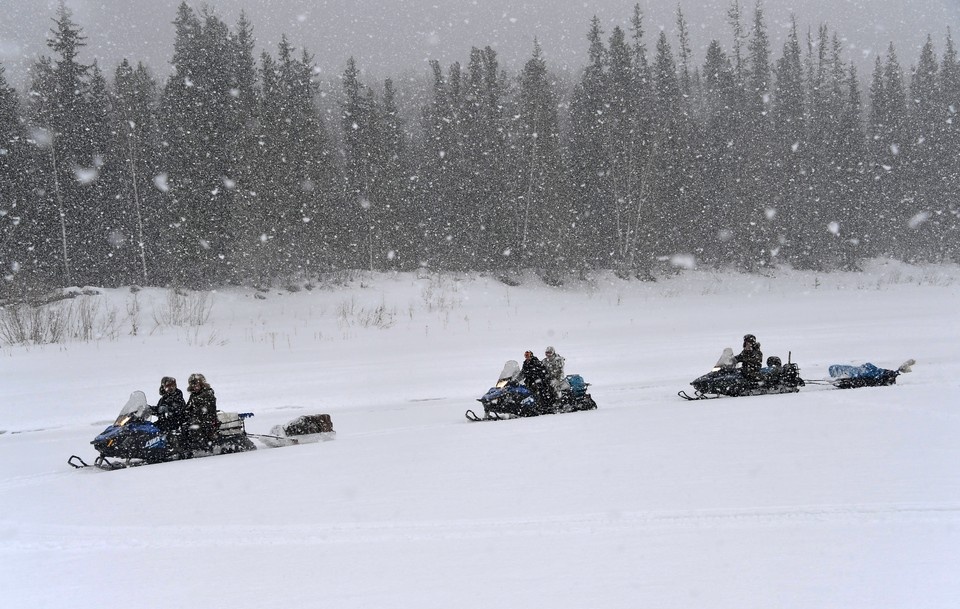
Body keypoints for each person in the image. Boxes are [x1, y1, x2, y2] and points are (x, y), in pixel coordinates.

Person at [153, 376, 188, 448]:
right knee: (150, 428)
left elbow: (179, 409)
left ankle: (169, 447)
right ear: (163, 387)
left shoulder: (178, 396)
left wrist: (169, 410)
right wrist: (149, 409)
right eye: (168, 386)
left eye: (173, 385)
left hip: (176, 421)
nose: (170, 388)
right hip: (164, 421)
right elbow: (158, 409)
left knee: (164, 427)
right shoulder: (163, 398)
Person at [186, 373, 219, 449]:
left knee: (195, 426)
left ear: (201, 384)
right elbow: (188, 408)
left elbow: (208, 408)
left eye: (197, 384)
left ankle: (201, 445)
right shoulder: (193, 395)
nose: (195, 387)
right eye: (193, 384)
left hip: (208, 419)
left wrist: (196, 412)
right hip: (197, 418)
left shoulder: (208, 393)